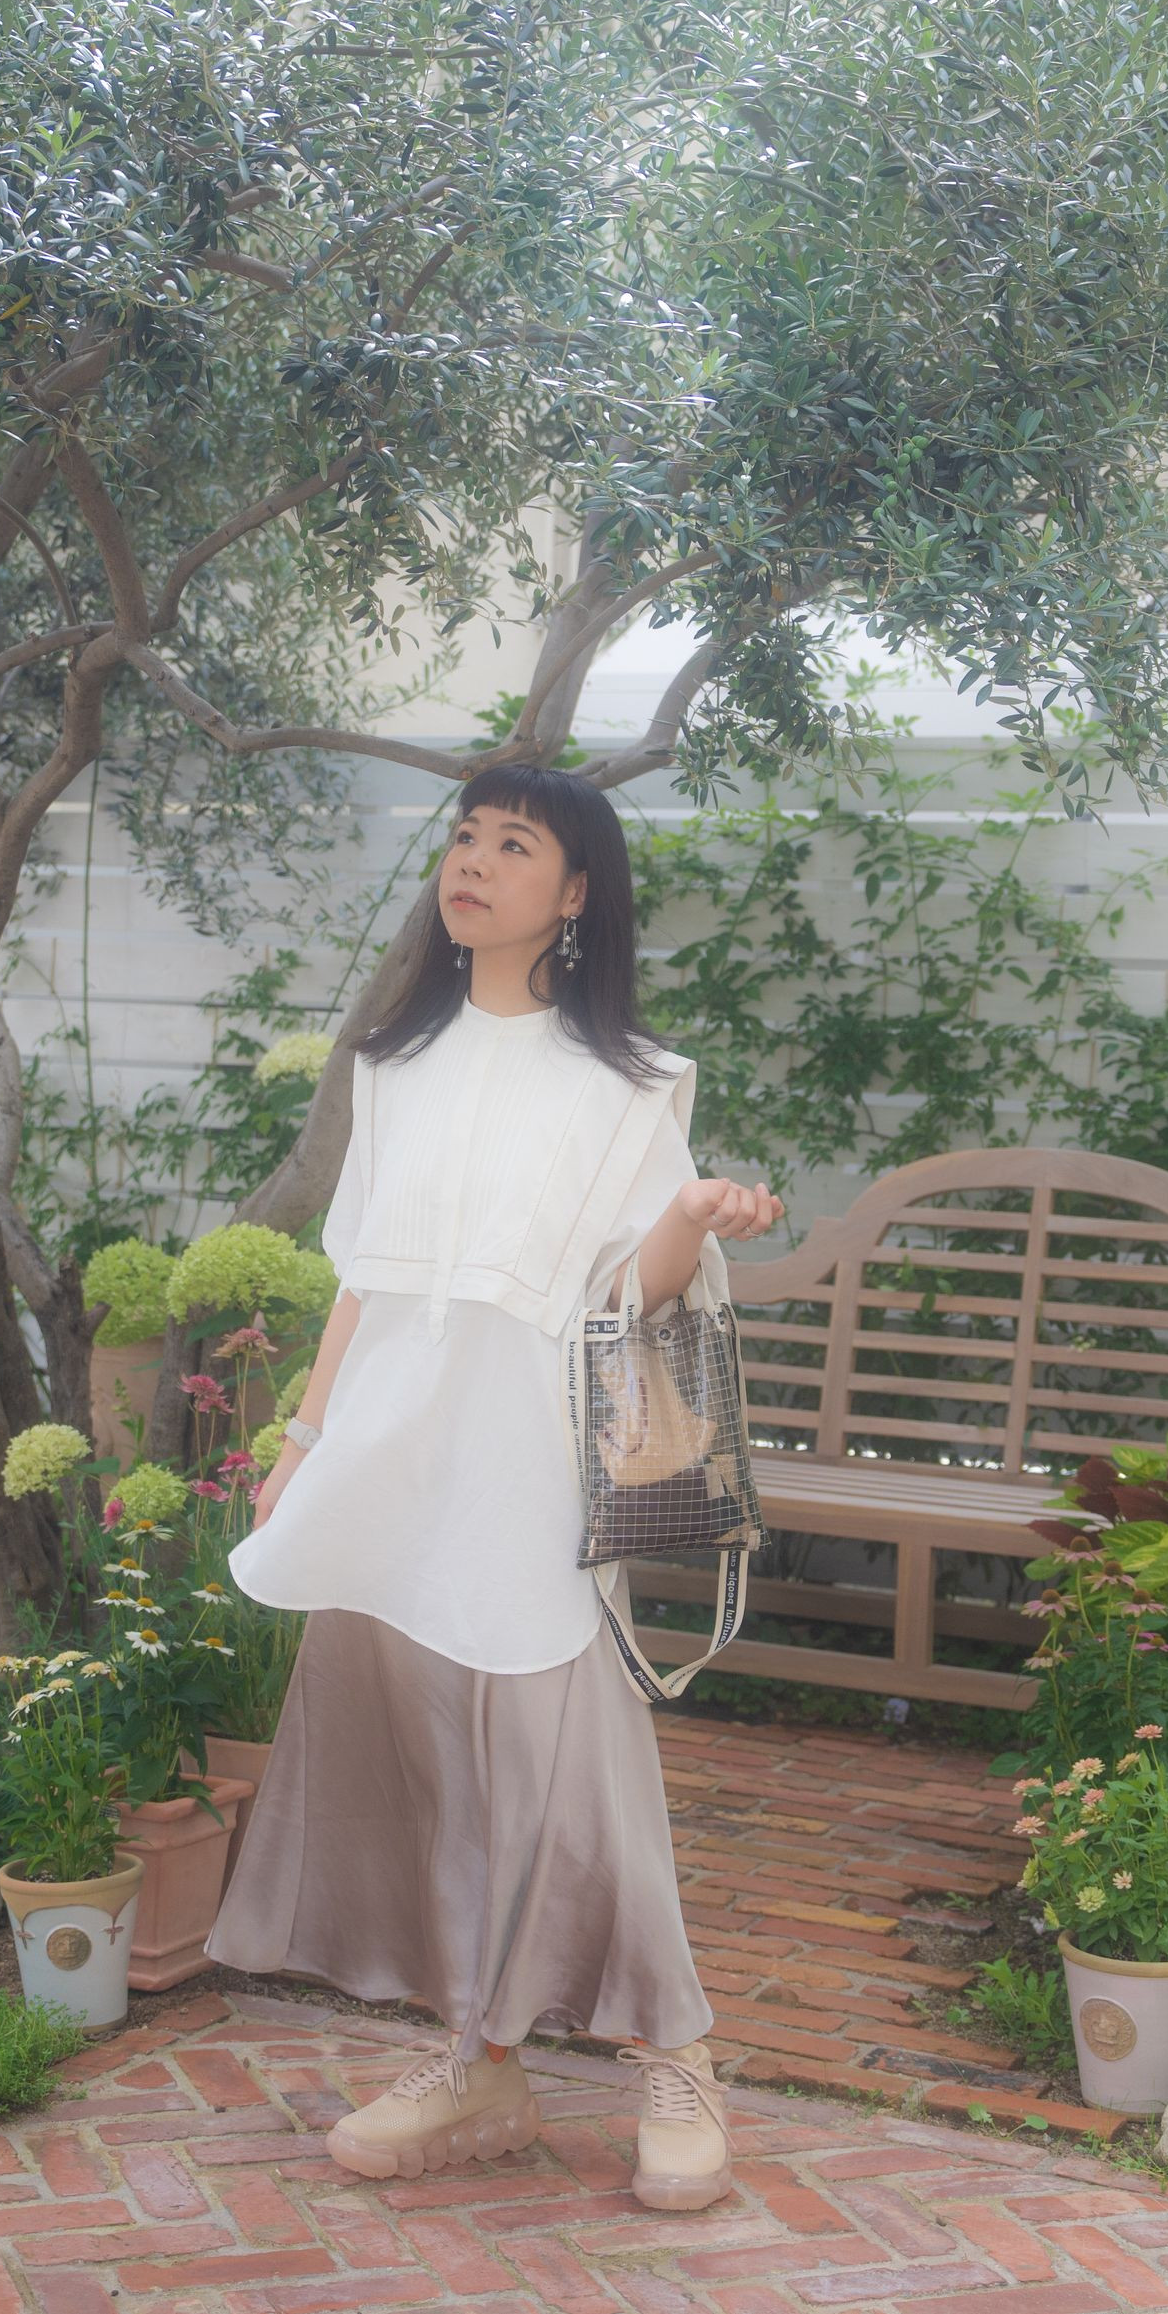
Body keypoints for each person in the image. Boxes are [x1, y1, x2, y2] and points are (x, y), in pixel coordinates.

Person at [206, 761, 785, 2214]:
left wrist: (692, 1215)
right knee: (426, 1758)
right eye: (463, 836)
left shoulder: (630, 1084)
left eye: (513, 844)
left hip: (530, 1456)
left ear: (574, 892)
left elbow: (634, 1294)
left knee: (568, 1758)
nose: (472, 861)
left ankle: (679, 2053)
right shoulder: (391, 1065)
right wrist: (302, 1442)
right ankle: (477, 2056)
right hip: (392, 1451)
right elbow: (364, 1280)